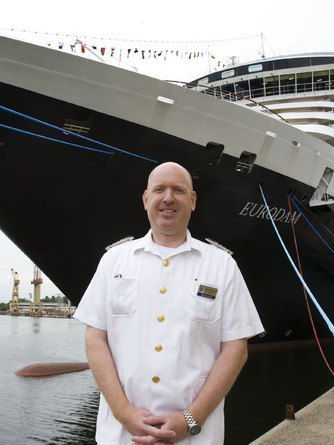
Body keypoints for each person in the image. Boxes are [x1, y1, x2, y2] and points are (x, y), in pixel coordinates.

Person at [74, 162, 264, 445]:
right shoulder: (114, 260)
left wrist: (190, 419)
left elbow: (235, 350)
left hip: (195, 438)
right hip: (120, 435)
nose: (168, 198)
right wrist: (124, 412)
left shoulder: (222, 265)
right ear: (145, 199)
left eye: (178, 190)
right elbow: (95, 339)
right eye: (159, 189)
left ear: (193, 200)